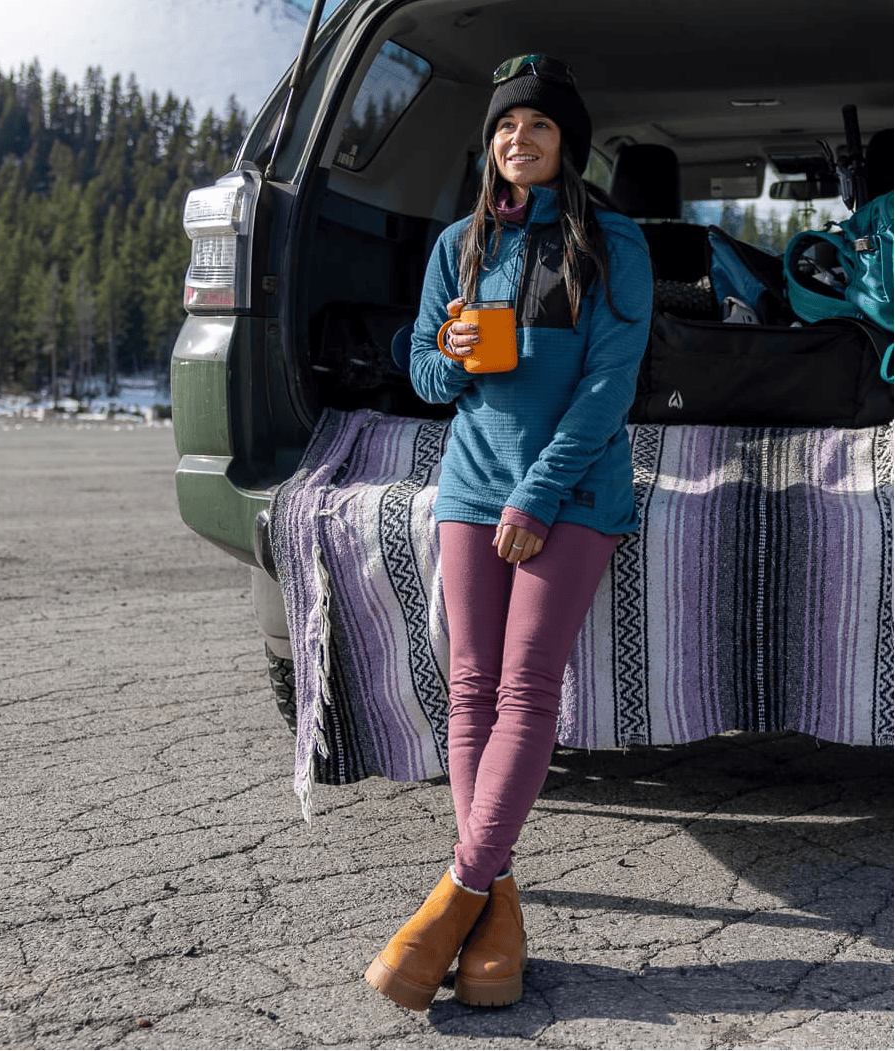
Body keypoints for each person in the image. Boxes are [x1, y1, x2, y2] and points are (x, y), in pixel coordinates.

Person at [364, 54, 654, 1011]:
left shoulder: (613, 243)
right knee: (469, 690)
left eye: (533, 126)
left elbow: (608, 386)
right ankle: (495, 904)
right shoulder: (461, 242)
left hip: (567, 493)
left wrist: (535, 496)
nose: (514, 140)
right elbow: (426, 379)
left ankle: (454, 897)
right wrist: (444, 352)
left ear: (565, 141)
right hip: (467, 488)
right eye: (501, 128)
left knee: (526, 690)